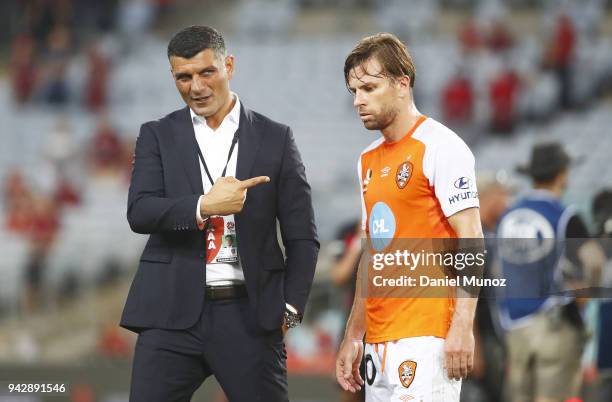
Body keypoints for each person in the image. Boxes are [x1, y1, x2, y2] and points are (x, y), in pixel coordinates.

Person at [120, 26, 319, 402]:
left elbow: (302, 237)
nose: (196, 86)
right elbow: (140, 211)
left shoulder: (276, 138)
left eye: (206, 72)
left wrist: (291, 308)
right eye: (184, 77)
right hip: (169, 313)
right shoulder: (157, 135)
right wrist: (203, 206)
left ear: (228, 65)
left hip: (250, 314)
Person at [336, 33, 484, 402]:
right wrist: (355, 334)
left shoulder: (441, 146)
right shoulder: (366, 160)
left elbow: (472, 237)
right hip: (379, 341)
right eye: (354, 91)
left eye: (369, 88)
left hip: (427, 336)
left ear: (402, 83)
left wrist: (463, 326)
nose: (358, 101)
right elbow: (373, 253)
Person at [497, 142, 604, 402]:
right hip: (553, 326)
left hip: (514, 328)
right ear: (561, 174)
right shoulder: (564, 215)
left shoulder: (508, 215)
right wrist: (584, 293)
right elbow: (595, 261)